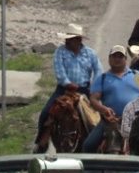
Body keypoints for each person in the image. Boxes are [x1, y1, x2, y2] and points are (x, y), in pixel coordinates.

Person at [34, 24, 101, 153]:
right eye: (67, 39)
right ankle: (41, 143)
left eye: (70, 39)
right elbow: (59, 71)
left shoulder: (90, 53)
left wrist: (95, 87)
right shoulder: (60, 51)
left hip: (84, 90)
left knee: (96, 116)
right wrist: (67, 83)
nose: (67, 41)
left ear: (79, 40)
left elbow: (98, 70)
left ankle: (97, 143)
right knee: (46, 112)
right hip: (64, 90)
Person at [85, 45, 139, 153]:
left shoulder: (137, 75)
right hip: (110, 121)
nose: (117, 59)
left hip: (135, 121)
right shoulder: (102, 78)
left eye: (120, 57)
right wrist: (104, 109)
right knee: (88, 145)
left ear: (125, 59)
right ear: (109, 59)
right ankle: (89, 169)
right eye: (114, 56)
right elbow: (93, 99)